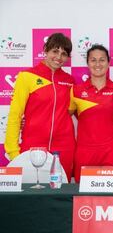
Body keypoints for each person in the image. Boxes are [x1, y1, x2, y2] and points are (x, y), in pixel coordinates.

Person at [5, 33, 75, 181]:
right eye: (55, 51)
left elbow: (72, 110)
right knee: (31, 195)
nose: (59, 57)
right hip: (33, 146)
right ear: (45, 50)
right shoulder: (26, 76)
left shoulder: (69, 81)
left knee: (60, 195)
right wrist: (13, 152)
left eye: (64, 54)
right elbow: (15, 115)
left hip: (64, 148)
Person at [69, 45, 113, 183]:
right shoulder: (76, 90)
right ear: (87, 63)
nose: (98, 64)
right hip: (85, 153)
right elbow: (62, 117)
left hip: (112, 152)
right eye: (93, 60)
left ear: (108, 62)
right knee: (84, 200)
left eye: (102, 60)